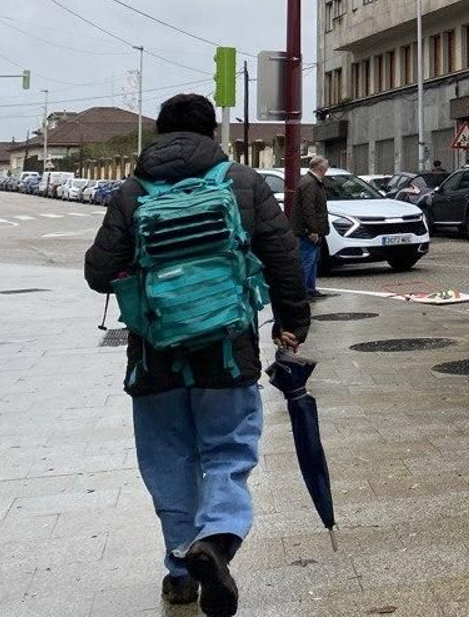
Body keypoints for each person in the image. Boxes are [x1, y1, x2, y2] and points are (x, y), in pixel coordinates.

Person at [85, 94, 309, 617]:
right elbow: (282, 257)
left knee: (169, 461)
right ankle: (218, 540)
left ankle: (182, 570)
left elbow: (99, 271)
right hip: (227, 351)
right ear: (213, 133)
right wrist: (292, 324)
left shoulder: (133, 190)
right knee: (228, 452)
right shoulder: (244, 182)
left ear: (159, 135)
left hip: (154, 356)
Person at [294, 156, 331, 300]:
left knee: (313, 259)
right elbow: (308, 209)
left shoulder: (312, 182)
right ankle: (303, 291)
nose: (327, 169)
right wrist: (313, 230)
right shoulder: (310, 183)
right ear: (320, 168)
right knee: (307, 260)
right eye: (326, 166)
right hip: (308, 231)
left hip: (311, 229)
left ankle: (310, 289)